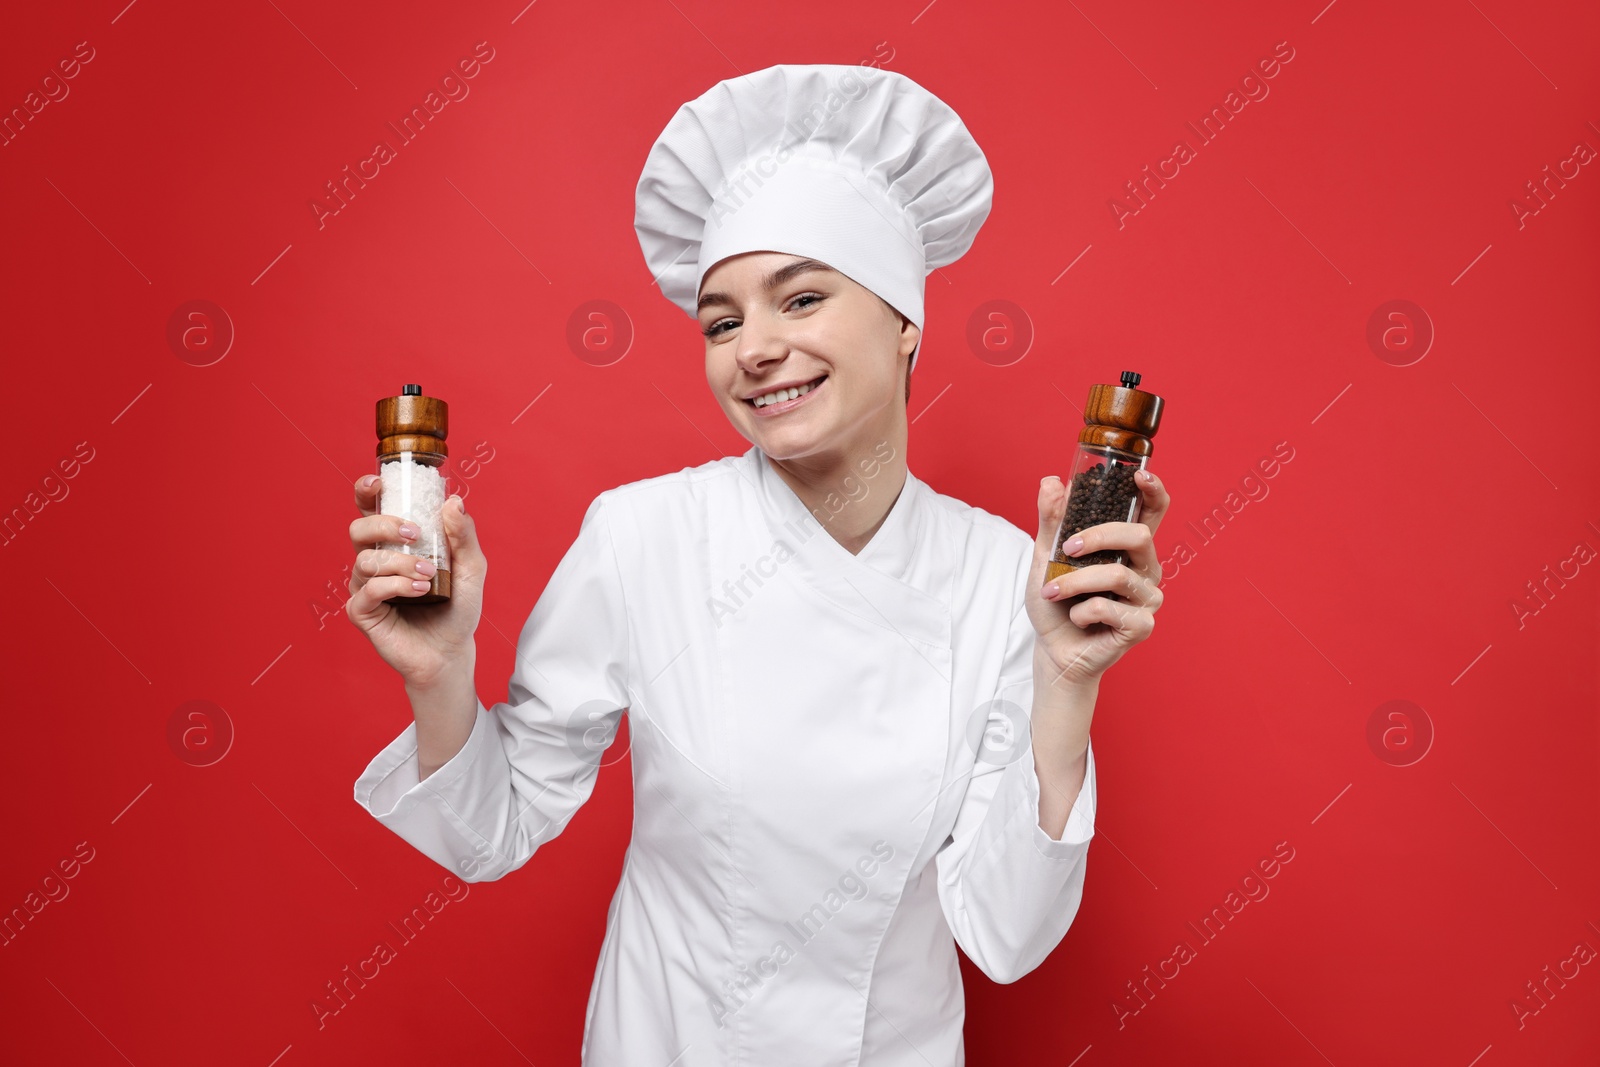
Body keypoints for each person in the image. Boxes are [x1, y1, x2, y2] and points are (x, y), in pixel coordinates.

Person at [345, 63, 1169, 1065]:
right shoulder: (642, 536)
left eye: (803, 297)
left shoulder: (1001, 574)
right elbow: (492, 830)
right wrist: (438, 675)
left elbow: (1005, 931)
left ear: (906, 321)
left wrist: (1066, 686)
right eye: (723, 321)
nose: (755, 349)